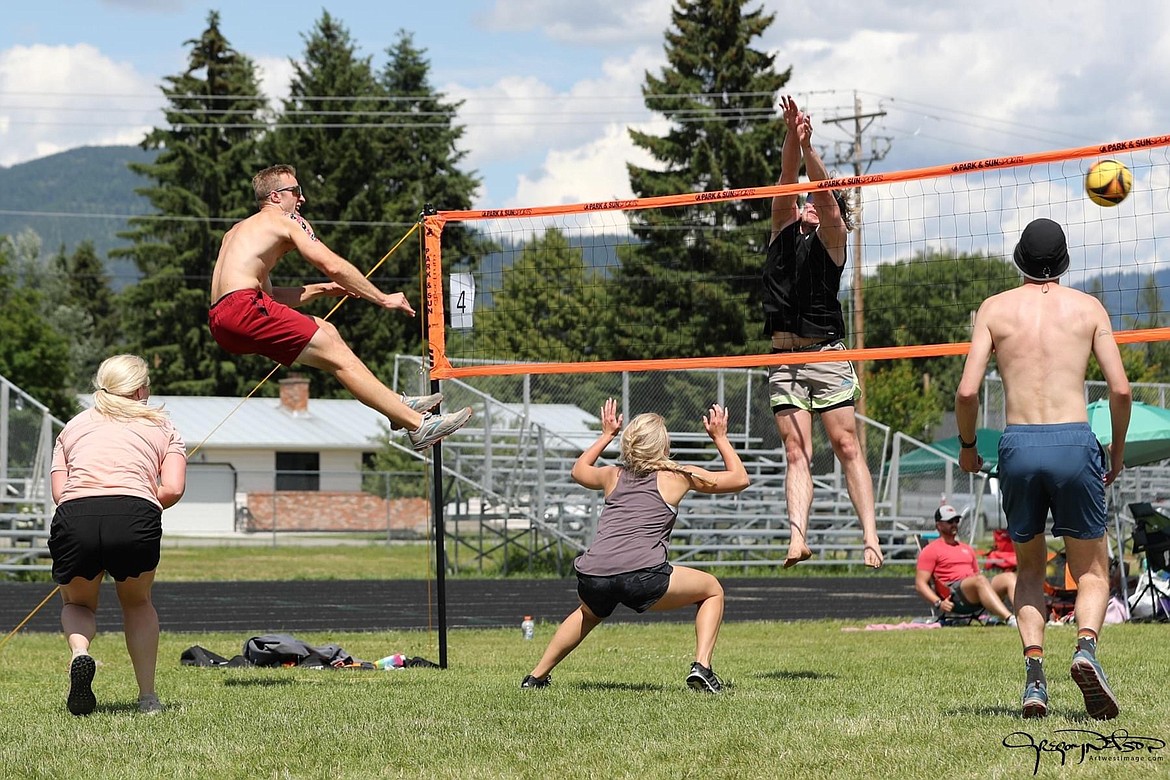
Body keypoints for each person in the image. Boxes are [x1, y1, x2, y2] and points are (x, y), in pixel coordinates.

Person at [957, 217, 1131, 720]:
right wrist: (1115, 450)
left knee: (1029, 568)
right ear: (1065, 261)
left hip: (1019, 444)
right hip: (1074, 441)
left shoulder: (995, 308)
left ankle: (1035, 679)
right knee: (1092, 569)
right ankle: (1085, 649)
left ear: (1018, 260)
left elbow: (967, 392)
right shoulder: (1088, 308)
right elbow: (1120, 390)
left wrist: (969, 446)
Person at [209, 164, 471, 451]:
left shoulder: (237, 232)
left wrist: (325, 289)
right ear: (275, 196)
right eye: (296, 191)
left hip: (222, 320)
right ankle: (419, 426)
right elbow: (331, 264)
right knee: (337, 357)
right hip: (244, 309)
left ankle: (396, 405)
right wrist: (382, 298)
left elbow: (271, 299)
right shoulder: (285, 222)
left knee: (327, 331)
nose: (302, 199)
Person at [520, 399, 750, 693]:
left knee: (588, 614)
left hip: (593, 577)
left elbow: (578, 470)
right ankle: (701, 667)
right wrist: (720, 437)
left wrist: (606, 435)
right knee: (712, 589)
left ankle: (536, 677)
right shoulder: (677, 476)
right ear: (662, 446)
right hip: (642, 578)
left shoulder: (612, 475)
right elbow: (740, 478)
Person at [763, 95, 883, 570]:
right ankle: (797, 538)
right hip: (781, 358)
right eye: (806, 201)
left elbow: (828, 202)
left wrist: (811, 151)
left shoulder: (833, 239)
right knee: (797, 451)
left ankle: (870, 539)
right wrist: (794, 134)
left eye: (815, 201)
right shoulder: (781, 230)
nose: (809, 205)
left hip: (825, 354)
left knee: (846, 445)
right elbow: (784, 183)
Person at [48, 355, 189, 716]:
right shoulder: (164, 427)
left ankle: (81, 654)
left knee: (77, 604)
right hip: (134, 515)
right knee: (138, 603)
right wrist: (138, 498)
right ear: (142, 389)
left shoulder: (73, 426)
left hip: (75, 516)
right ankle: (147, 699)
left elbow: (60, 492)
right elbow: (172, 489)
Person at [915, 504, 1017, 624]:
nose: (954, 524)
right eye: (949, 521)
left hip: (974, 588)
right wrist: (938, 602)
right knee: (979, 580)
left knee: (1009, 577)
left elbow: (976, 574)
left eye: (956, 520)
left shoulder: (966, 548)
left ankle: (1024, 616)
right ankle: (1010, 619)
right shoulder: (931, 550)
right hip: (954, 594)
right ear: (938, 525)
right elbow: (920, 584)